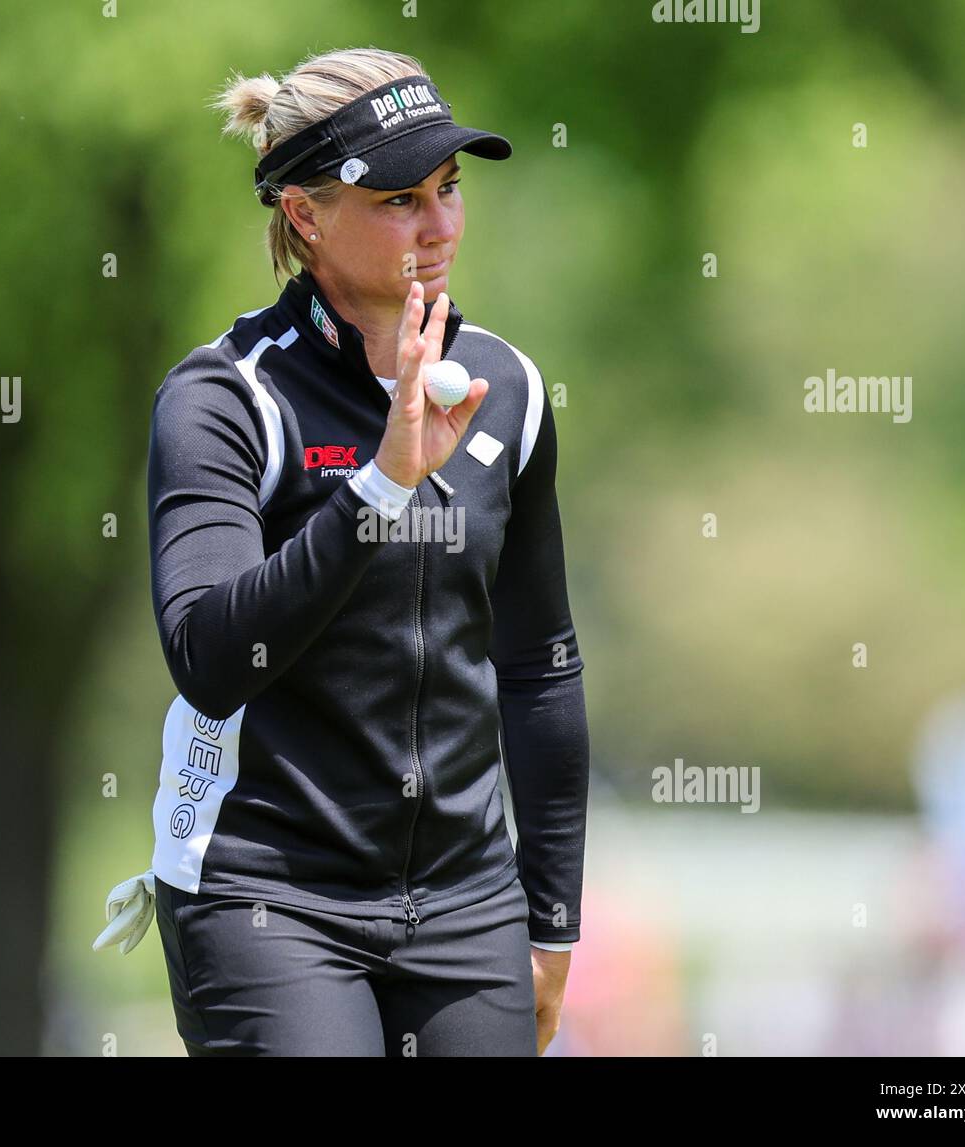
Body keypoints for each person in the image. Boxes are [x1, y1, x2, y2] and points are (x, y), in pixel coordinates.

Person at [93, 46, 591, 1058]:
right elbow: (210, 657)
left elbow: (538, 668)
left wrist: (550, 920)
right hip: (266, 894)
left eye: (449, 189)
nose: (441, 225)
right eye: (401, 199)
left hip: (465, 902)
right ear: (304, 214)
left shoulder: (510, 386)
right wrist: (380, 488)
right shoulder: (224, 400)